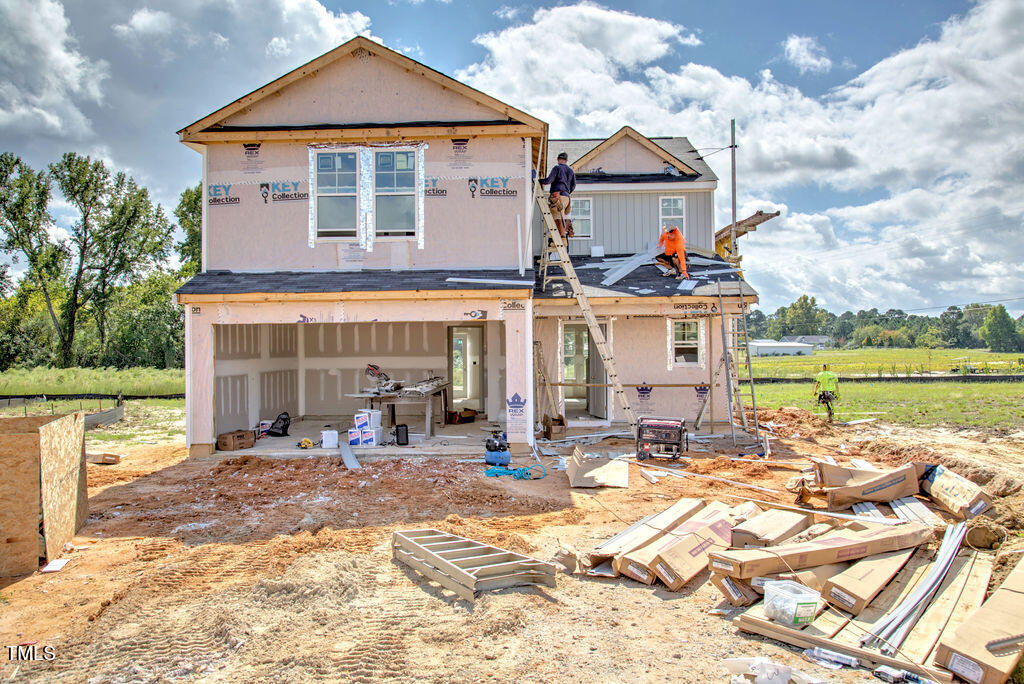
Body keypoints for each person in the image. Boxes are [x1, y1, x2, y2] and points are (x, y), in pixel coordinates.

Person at [540, 152, 576, 240]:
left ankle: (561, 238)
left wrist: (539, 181)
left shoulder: (557, 168)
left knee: (557, 217)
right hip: (567, 197)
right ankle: (562, 238)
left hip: (557, 195)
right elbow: (573, 185)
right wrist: (567, 193)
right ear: (566, 160)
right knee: (561, 215)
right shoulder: (571, 171)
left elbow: (549, 180)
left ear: (557, 159)